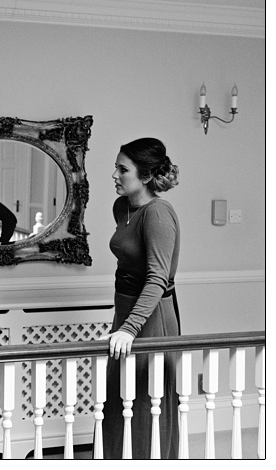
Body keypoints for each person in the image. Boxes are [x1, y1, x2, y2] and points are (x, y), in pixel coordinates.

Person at [103, 138, 181, 459]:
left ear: (146, 176)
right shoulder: (122, 207)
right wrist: (123, 322)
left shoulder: (158, 213)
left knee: (148, 402)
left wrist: (131, 327)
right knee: (118, 398)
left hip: (151, 316)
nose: (115, 175)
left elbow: (157, 279)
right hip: (126, 311)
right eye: (117, 167)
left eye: (123, 169)